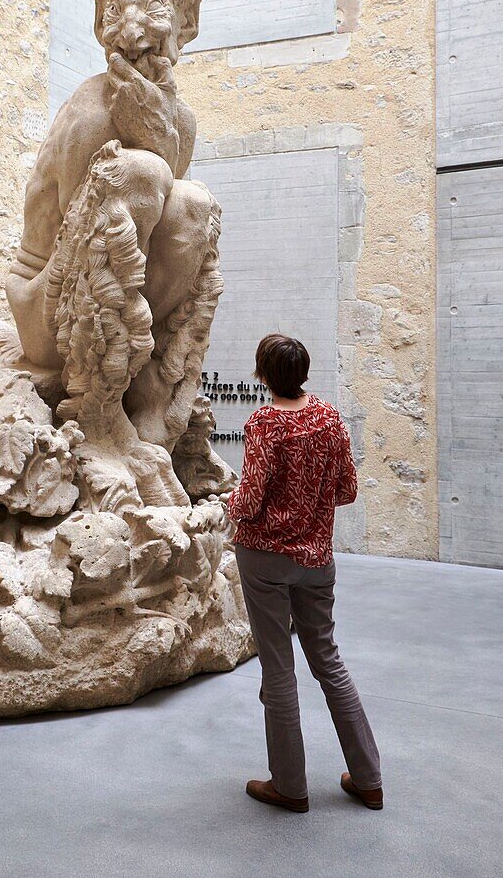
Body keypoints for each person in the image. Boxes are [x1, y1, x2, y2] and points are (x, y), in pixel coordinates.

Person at [227, 333, 382, 814]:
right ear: (304, 372)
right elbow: (347, 490)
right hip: (317, 560)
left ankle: (290, 786)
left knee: (278, 669)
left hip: (265, 559)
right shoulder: (330, 418)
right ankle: (369, 779)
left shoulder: (264, 424)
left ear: (263, 374)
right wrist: (308, 506)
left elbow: (250, 501)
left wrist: (227, 504)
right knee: (329, 662)